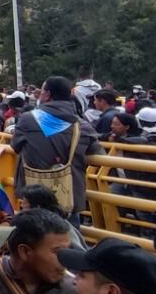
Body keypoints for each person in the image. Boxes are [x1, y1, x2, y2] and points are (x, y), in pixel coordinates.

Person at [10, 76, 100, 217]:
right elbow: (96, 151)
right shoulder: (83, 126)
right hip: (68, 192)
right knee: (69, 234)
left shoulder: (27, 119)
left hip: (34, 193)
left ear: (47, 94)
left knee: (34, 231)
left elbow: (15, 146)